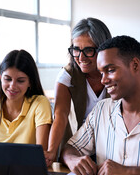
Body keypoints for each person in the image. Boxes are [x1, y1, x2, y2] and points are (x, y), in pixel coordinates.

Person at [61, 35, 140, 175]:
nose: (103, 80)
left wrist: (129, 172)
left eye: (110, 70)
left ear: (135, 65)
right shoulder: (101, 110)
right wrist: (72, 159)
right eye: (101, 73)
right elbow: (70, 148)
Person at [45, 17, 112, 166]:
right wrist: (51, 151)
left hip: (109, 147)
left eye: (88, 50)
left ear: (103, 48)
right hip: (77, 148)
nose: (81, 57)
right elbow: (60, 115)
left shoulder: (114, 74)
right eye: (76, 49)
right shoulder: (68, 75)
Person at [0, 50, 52, 149]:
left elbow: (41, 153)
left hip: (30, 164)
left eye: (20, 81)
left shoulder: (40, 104)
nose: (12, 86)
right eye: (7, 79)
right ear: (0, 76)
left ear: (30, 82)